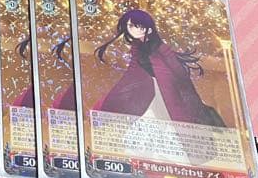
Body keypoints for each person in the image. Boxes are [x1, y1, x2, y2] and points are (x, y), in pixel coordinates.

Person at [93, 8, 225, 127]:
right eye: (130, 26)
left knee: (176, 119)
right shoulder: (136, 48)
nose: (133, 29)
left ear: (148, 28)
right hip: (150, 91)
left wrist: (185, 92)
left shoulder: (160, 47)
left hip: (168, 91)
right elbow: (132, 72)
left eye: (137, 26)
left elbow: (178, 71)